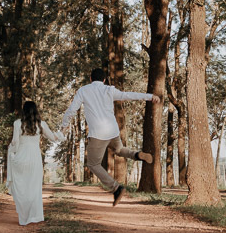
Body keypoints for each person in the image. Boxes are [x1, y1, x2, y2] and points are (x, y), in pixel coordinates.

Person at [59, 68, 160, 206]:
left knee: (93, 164)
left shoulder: (83, 90)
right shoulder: (109, 90)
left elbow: (72, 109)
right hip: (113, 131)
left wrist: (64, 126)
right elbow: (128, 95)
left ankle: (116, 188)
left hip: (98, 134)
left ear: (90, 78)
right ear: (104, 79)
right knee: (119, 150)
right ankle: (137, 155)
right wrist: (150, 96)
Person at [7, 101, 64, 226]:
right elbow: (53, 138)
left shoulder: (17, 123)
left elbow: (15, 142)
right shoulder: (41, 124)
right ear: (35, 110)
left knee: (22, 187)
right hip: (34, 158)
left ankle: (24, 217)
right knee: (34, 188)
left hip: (21, 157)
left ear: (24, 110)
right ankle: (34, 216)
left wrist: (11, 152)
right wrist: (61, 133)